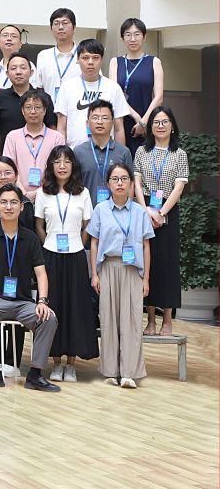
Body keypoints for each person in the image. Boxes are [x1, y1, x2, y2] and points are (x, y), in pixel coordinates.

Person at [0, 185, 62, 391]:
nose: (8, 207)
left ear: (21, 207)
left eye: (13, 202)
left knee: (49, 318)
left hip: (23, 303)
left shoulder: (31, 237)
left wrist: (42, 301)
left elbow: (41, 273)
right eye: (3, 202)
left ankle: (35, 374)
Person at [89, 163, 154, 388]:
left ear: (131, 184)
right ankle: (110, 370)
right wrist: (94, 274)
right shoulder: (100, 209)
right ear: (108, 184)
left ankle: (129, 372)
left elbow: (146, 246)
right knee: (108, 319)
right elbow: (94, 242)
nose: (119, 183)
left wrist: (146, 278)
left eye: (124, 179)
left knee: (132, 320)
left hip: (132, 270)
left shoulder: (139, 212)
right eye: (115, 179)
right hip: (108, 267)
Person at [34, 147, 94, 381]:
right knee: (54, 307)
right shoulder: (43, 193)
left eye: (67, 161)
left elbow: (88, 226)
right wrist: (48, 243)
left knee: (75, 309)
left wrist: (79, 243)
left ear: (73, 166)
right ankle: (56, 363)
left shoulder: (83, 193)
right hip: (50, 256)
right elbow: (39, 226)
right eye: (57, 161)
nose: (62, 166)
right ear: (51, 165)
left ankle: (71, 364)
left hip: (76, 256)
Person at [136, 106, 189, 337]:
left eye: (165, 121)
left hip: (168, 209)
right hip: (145, 209)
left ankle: (167, 321)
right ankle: (150, 320)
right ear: (150, 127)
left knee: (167, 265)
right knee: (149, 263)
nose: (160, 125)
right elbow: (136, 183)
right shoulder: (142, 151)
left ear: (172, 126)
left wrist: (162, 213)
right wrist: (145, 211)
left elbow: (179, 187)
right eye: (156, 122)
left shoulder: (180, 154)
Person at [53, 39, 134, 143]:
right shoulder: (67, 87)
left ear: (102, 59)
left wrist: (120, 152)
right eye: (85, 58)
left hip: (107, 150)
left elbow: (119, 129)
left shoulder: (113, 88)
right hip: (74, 150)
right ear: (77, 59)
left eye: (95, 58)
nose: (90, 62)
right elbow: (61, 127)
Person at [111, 18, 165, 146]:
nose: (132, 39)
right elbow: (115, 94)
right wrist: (136, 117)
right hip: (121, 121)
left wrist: (144, 122)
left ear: (144, 37)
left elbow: (159, 97)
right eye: (128, 35)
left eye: (137, 34)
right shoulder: (115, 62)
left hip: (147, 120)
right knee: (122, 156)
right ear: (122, 38)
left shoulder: (154, 62)